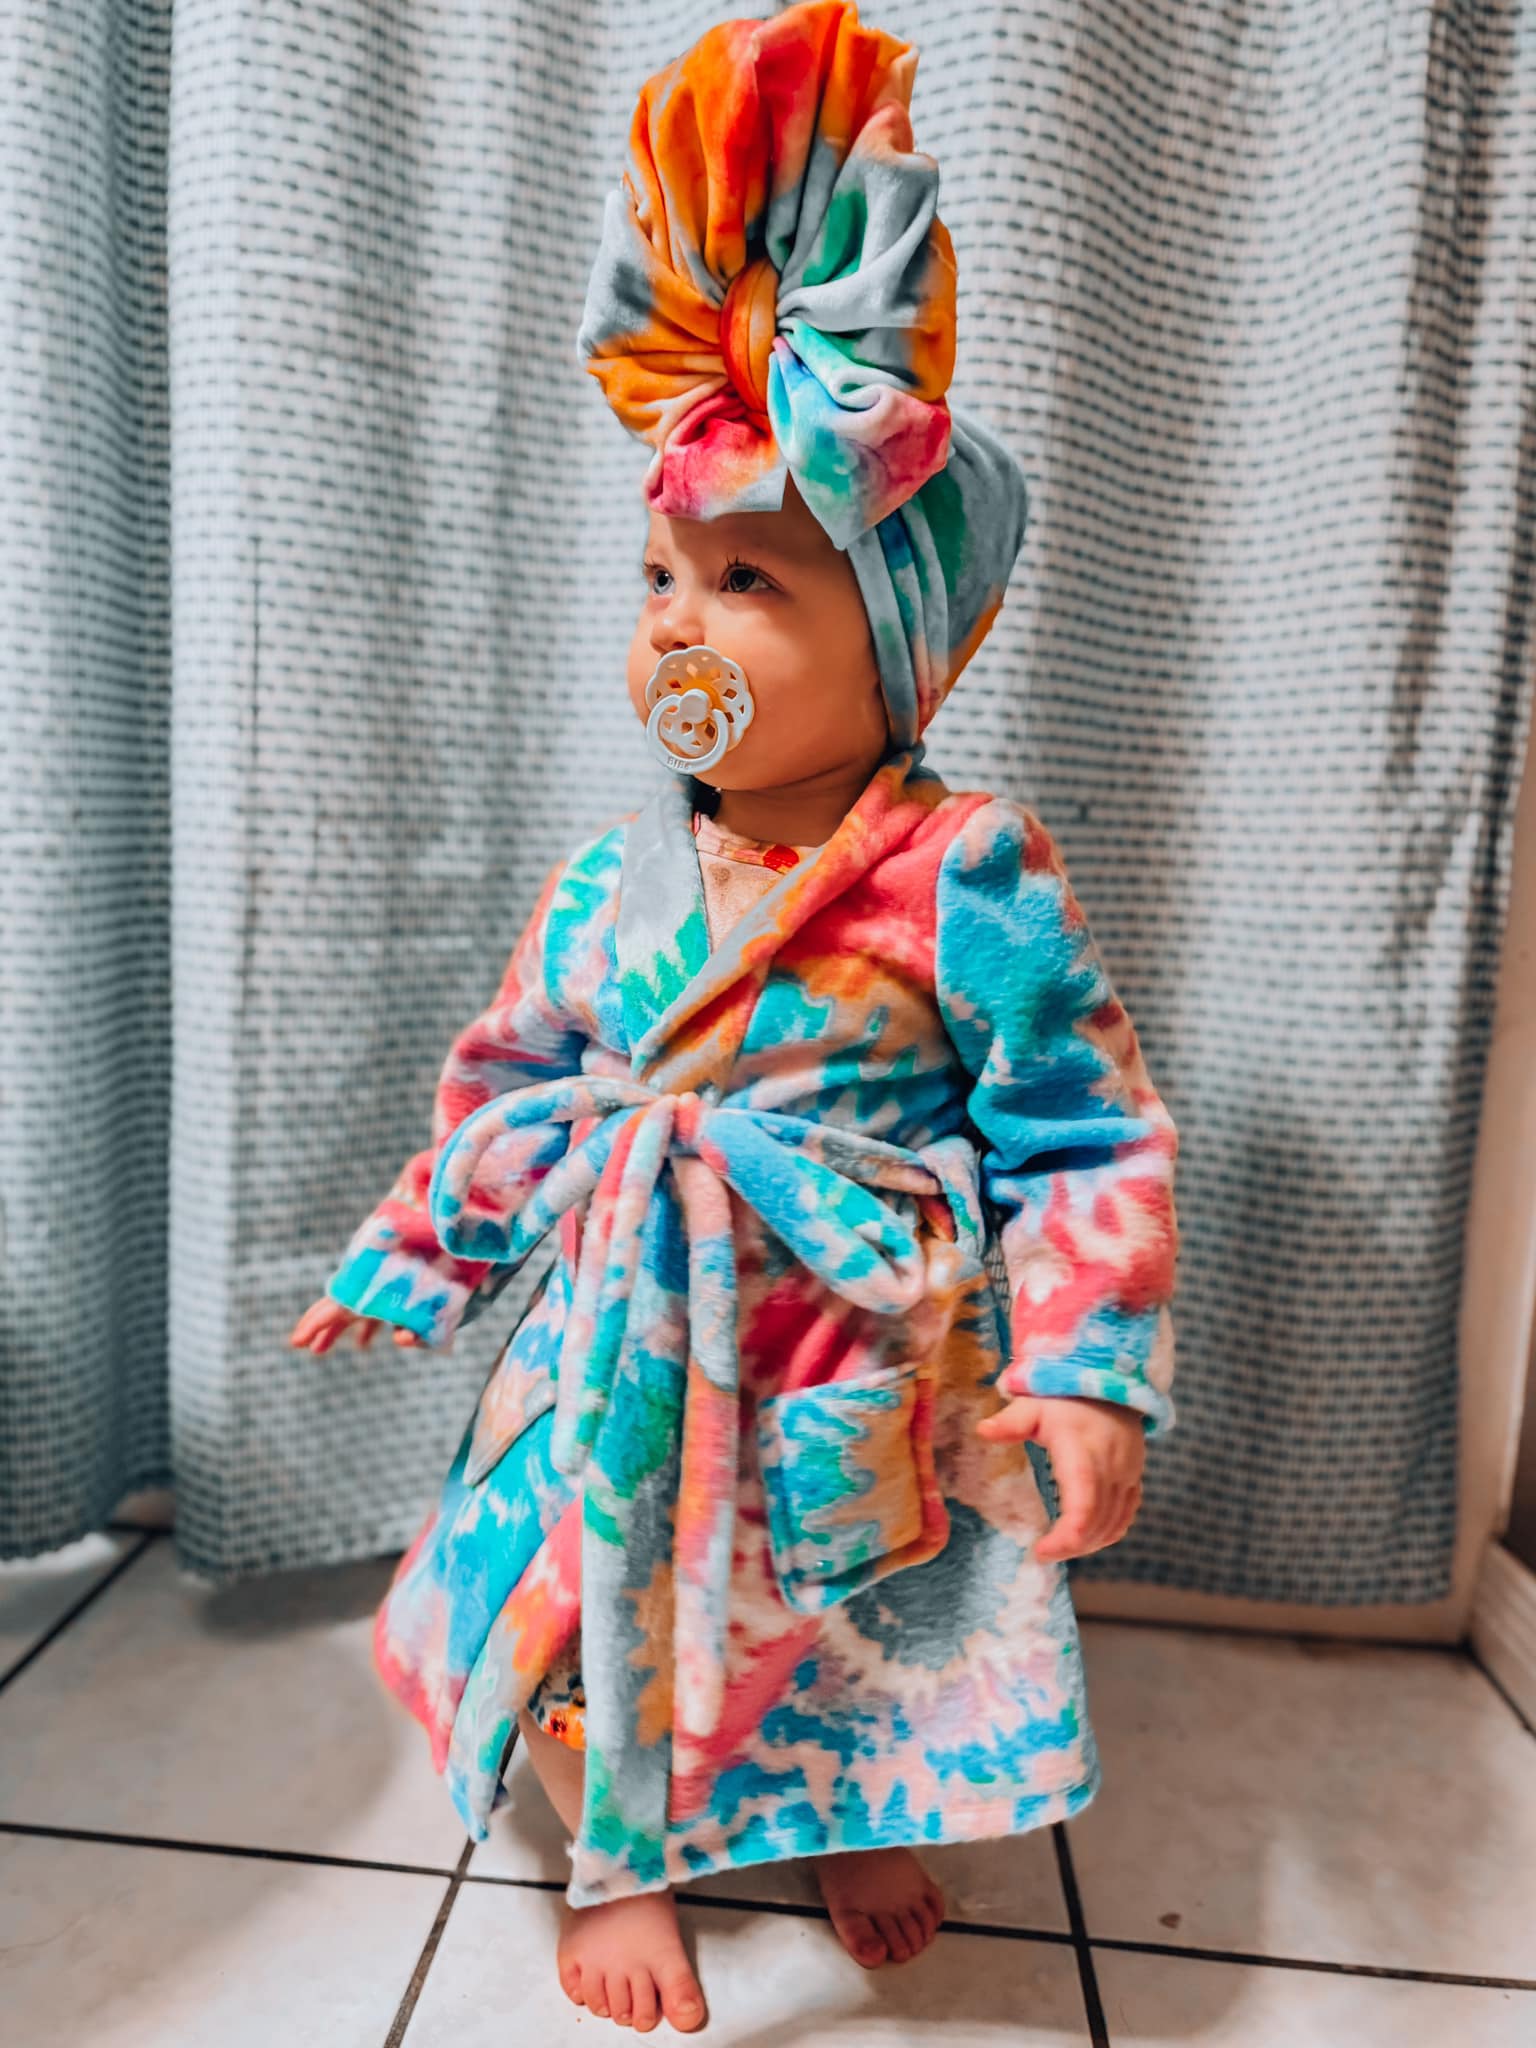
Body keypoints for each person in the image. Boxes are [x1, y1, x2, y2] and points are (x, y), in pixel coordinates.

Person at [289, 2, 1180, 2033]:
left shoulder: (969, 866)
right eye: (659, 576)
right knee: (603, 1605)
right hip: (631, 1332)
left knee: (857, 1611)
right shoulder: (611, 880)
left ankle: (855, 1818)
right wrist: (421, 1245)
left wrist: (1090, 1374)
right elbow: (513, 1083)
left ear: (902, 640)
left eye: (748, 583)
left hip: (862, 1337)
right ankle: (626, 1858)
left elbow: (1083, 1128)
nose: (678, 625)